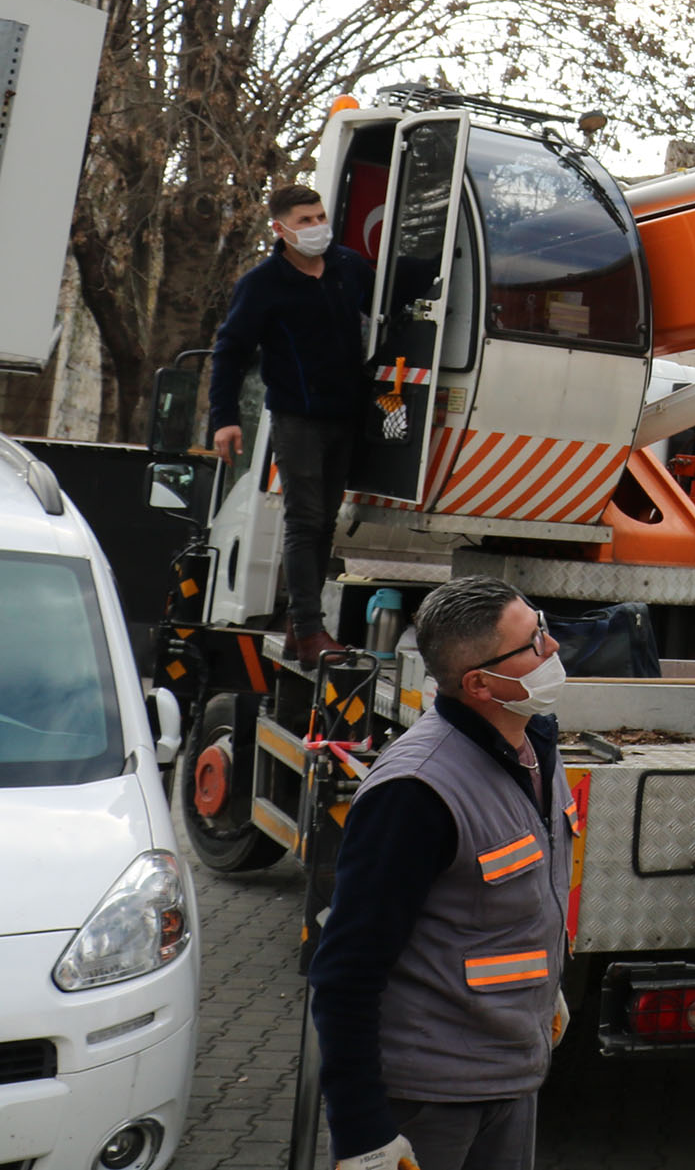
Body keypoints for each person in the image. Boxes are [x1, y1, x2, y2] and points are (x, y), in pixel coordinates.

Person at [310, 577, 573, 1170]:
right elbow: (347, 969)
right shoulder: (417, 792)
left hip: (510, 1073)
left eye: (543, 627)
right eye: (533, 644)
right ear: (479, 684)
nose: (552, 649)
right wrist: (362, 1132)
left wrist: (541, 987)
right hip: (429, 1100)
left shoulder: (534, 746)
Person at [209, 182, 375, 665]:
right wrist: (224, 419)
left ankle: (302, 631)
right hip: (297, 418)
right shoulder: (261, 284)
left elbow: (392, 294)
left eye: (320, 217)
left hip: (346, 415)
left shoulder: (347, 267)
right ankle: (308, 628)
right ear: (280, 229)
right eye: (305, 221)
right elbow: (230, 351)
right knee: (304, 521)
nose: (317, 227)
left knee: (324, 523)